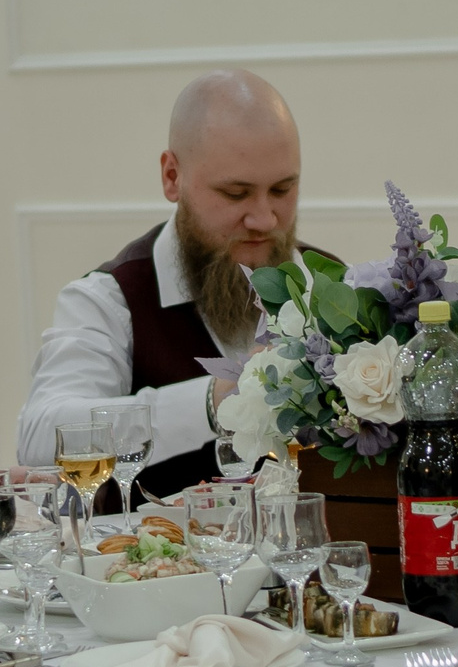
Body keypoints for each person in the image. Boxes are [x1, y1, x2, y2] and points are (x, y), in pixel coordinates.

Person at [18, 69, 304, 496]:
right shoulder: (110, 299)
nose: (264, 219)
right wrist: (216, 399)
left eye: (282, 190)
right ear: (172, 176)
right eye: (235, 194)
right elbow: (41, 439)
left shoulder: (328, 285)